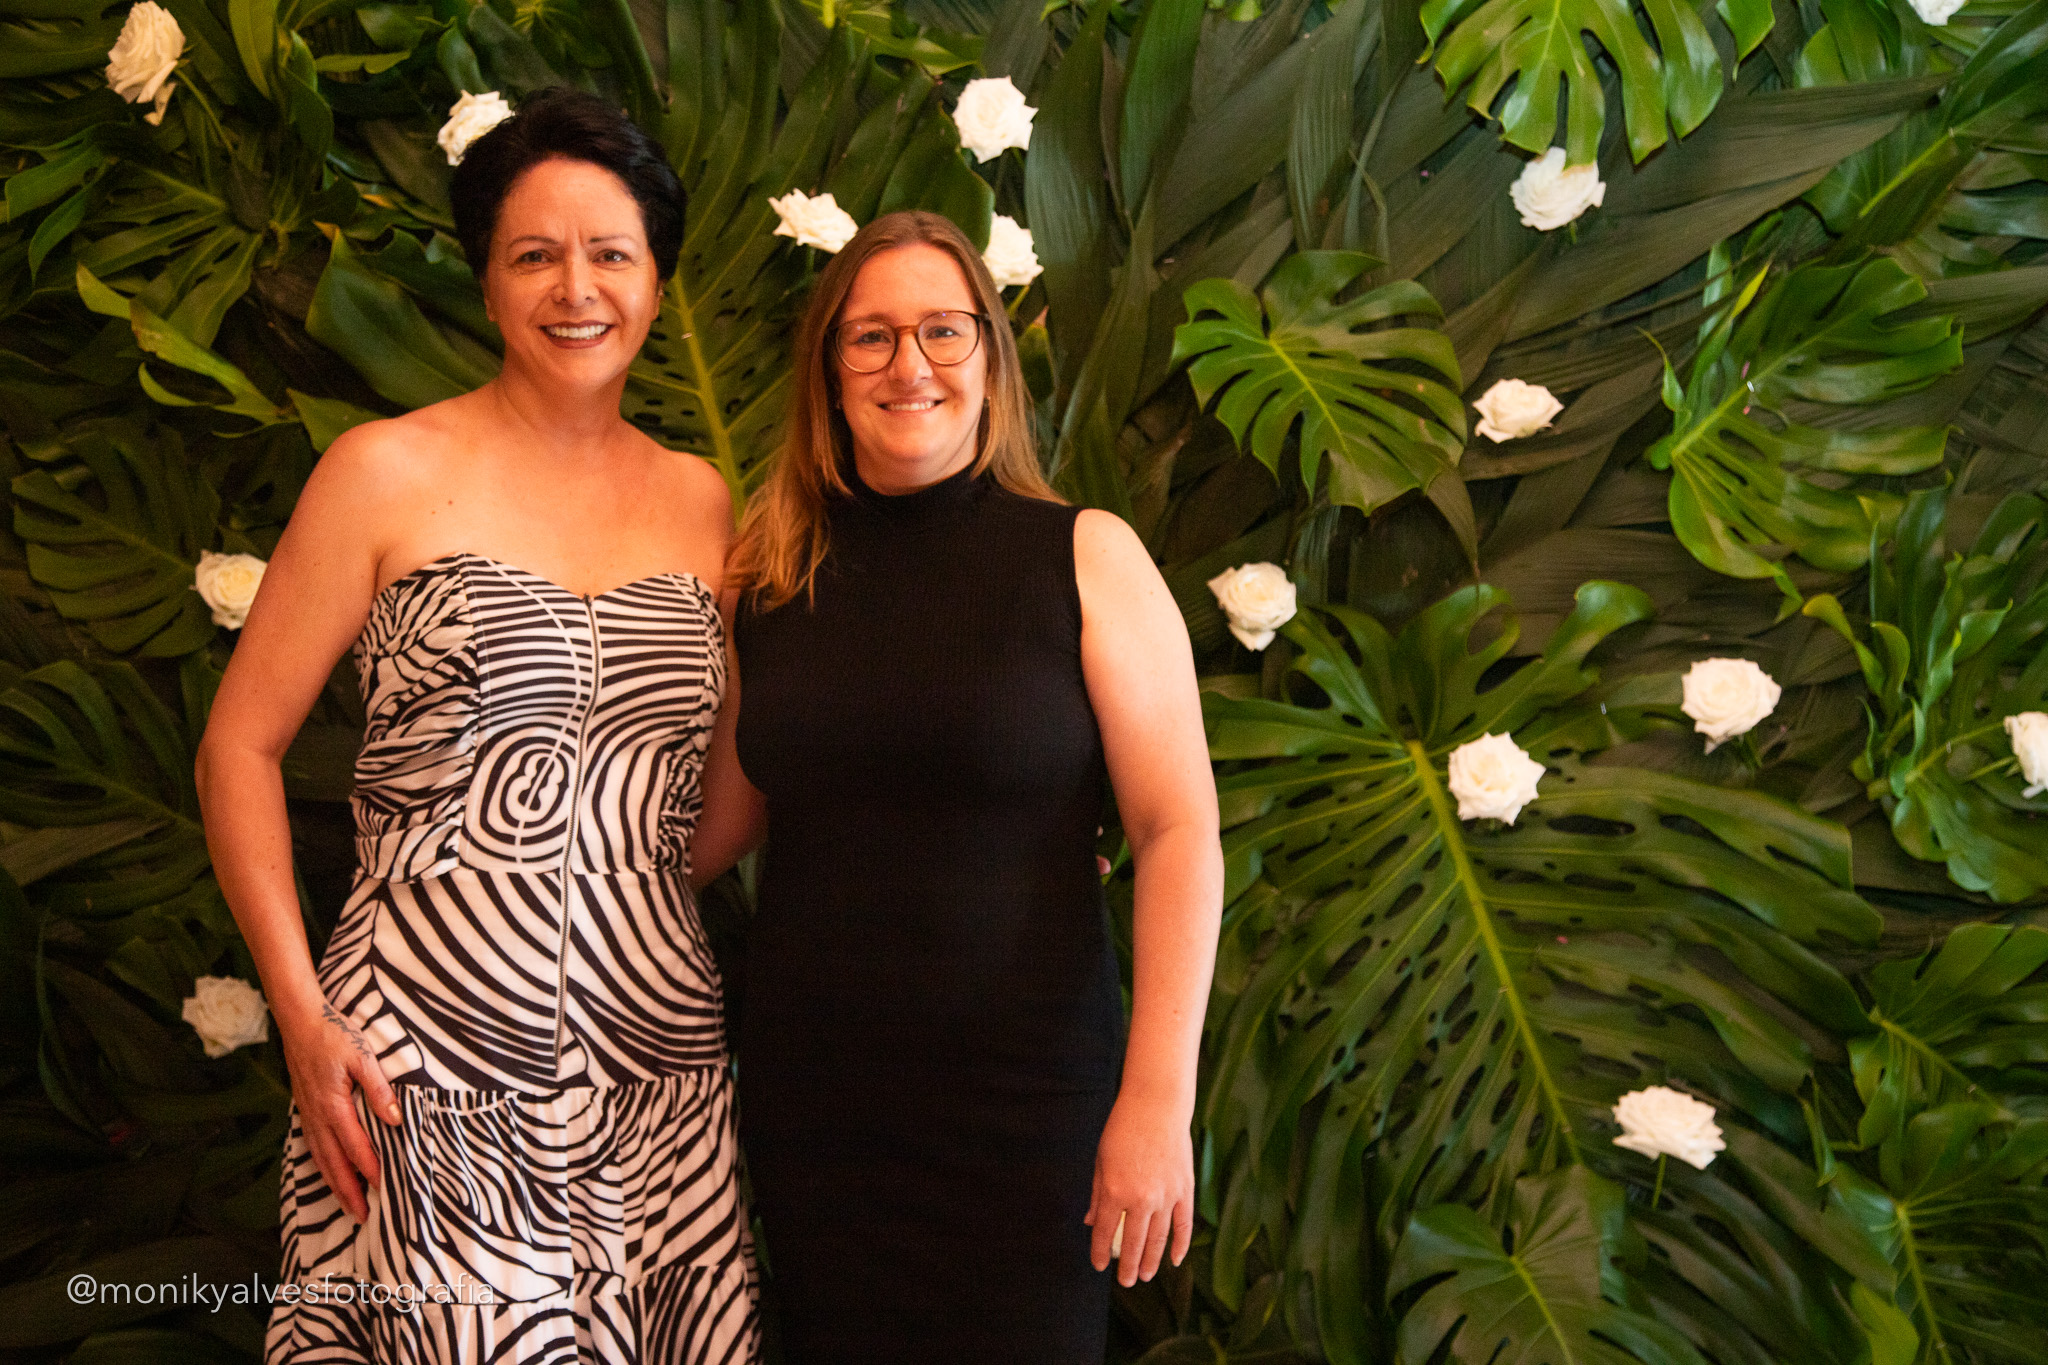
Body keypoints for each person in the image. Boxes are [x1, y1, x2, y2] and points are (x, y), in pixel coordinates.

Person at [194, 87, 759, 1364]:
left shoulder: (702, 502)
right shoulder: (380, 472)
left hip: (654, 1053)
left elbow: (730, 778)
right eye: (534, 255)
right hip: (423, 1051)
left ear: (655, 278)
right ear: (489, 283)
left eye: (611, 253)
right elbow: (238, 748)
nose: (577, 288)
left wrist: (621, 890)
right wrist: (304, 1019)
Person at [689, 210, 1223, 1362]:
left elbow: (1176, 828)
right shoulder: (767, 582)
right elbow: (706, 835)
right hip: (818, 1116)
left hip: (1027, 1114)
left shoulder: (1084, 556)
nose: (909, 364)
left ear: (988, 356)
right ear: (828, 370)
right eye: (870, 336)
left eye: (942, 329)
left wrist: (1156, 1102)